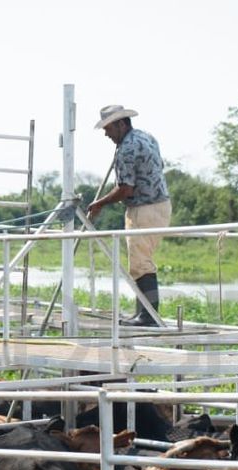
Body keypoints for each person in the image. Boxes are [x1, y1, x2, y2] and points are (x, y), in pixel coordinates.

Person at [86, 104, 172, 327]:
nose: (106, 134)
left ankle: (148, 316)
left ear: (121, 124)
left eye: (108, 128)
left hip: (144, 208)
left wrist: (100, 203)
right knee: (140, 260)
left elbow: (126, 189)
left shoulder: (126, 149)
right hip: (160, 205)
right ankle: (143, 313)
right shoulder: (147, 137)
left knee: (141, 262)